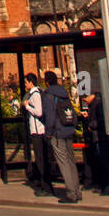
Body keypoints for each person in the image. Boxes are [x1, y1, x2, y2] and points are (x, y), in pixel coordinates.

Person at [42, 69, 81, 204]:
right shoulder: (63, 93)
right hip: (68, 129)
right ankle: (77, 191)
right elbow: (72, 112)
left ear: (46, 82)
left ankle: (71, 193)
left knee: (63, 163)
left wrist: (48, 133)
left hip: (57, 132)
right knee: (71, 161)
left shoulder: (48, 95)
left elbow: (50, 116)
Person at [22, 72, 51, 197]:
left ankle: (46, 186)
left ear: (31, 82)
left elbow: (39, 112)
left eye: (26, 82)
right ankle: (43, 183)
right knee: (40, 159)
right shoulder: (35, 94)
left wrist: (27, 106)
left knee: (41, 159)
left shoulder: (35, 95)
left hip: (38, 131)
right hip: (37, 131)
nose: (25, 84)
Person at [82, 91, 109, 195]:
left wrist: (91, 125)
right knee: (101, 161)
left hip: (101, 137)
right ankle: (104, 185)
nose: (85, 101)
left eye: (85, 98)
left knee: (104, 161)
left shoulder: (98, 104)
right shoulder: (96, 103)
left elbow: (100, 121)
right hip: (99, 137)